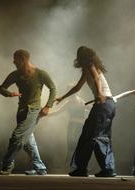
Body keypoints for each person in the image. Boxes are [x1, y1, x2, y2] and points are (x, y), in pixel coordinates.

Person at [55, 46, 116, 177]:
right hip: (107, 105)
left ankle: (93, 168)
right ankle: (104, 169)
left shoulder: (90, 65)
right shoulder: (87, 69)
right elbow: (77, 87)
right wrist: (62, 97)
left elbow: (97, 79)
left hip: (103, 104)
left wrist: (99, 93)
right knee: (95, 137)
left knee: (92, 136)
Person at [0, 49, 56, 175]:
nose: (13, 61)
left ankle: (7, 164)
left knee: (17, 137)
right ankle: (40, 168)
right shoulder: (15, 74)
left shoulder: (40, 74)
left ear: (23, 58)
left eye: (15, 59)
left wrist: (48, 106)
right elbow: (1, 88)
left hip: (33, 110)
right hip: (21, 111)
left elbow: (53, 88)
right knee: (28, 141)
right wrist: (10, 94)